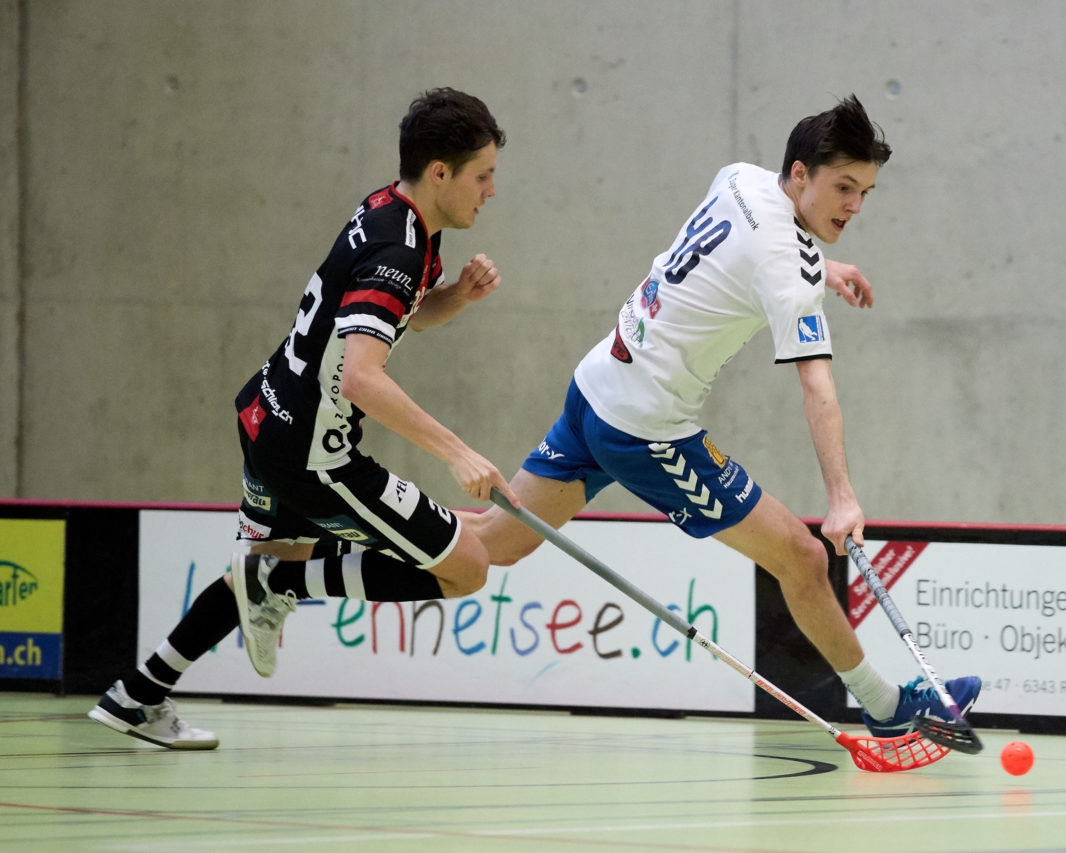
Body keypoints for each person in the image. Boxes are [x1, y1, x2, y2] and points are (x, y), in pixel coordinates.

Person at [470, 93, 980, 737]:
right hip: (645, 431)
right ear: (799, 174)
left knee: (494, 545)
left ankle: (331, 552)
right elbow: (817, 386)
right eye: (843, 187)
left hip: (596, 385)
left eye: (866, 192)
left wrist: (826, 265)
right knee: (802, 557)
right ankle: (887, 709)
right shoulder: (788, 270)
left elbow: (748, 249)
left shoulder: (739, 177)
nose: (854, 206)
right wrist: (842, 497)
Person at [88, 87, 518, 749]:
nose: (491, 190)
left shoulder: (390, 212)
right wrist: (456, 451)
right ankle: (280, 580)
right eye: (482, 175)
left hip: (265, 412)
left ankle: (136, 694)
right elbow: (359, 374)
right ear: (440, 173)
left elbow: (371, 326)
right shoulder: (401, 253)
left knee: (262, 562)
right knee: (466, 565)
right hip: (318, 457)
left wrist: (453, 297)